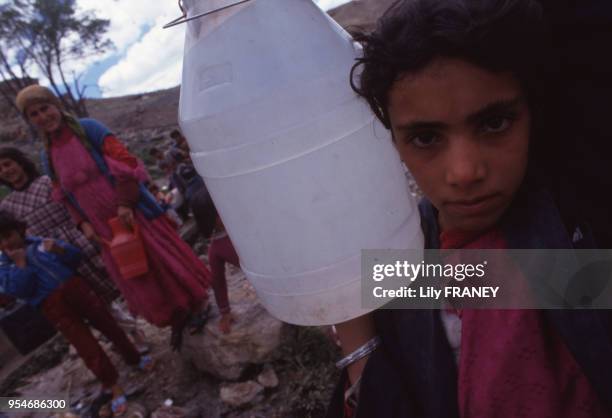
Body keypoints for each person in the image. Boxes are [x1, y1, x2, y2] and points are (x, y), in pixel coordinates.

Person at [326, 0, 612, 417]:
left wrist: (358, 340)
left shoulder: (579, 211)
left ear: (533, 111)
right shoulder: (400, 264)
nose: (464, 172)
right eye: (425, 138)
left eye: (494, 123)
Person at [15, 85, 212, 350]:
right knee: (138, 275)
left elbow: (125, 162)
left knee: (161, 261)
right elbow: (64, 195)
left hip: (133, 214)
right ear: (30, 122)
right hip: (103, 229)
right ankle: (176, 317)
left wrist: (125, 203)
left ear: (56, 106)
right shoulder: (47, 155)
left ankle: (198, 304)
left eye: (44, 108)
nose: (42, 116)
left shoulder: (89, 129)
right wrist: (82, 224)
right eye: (34, 114)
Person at [0, 210, 152, 416]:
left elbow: (75, 257)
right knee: (86, 345)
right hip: (52, 306)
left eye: (8, 235)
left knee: (109, 326)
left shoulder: (40, 242)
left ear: (19, 230)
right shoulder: (6, 268)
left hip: (77, 289)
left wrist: (60, 251)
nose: (5, 243)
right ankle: (112, 384)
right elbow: (22, 290)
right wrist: (20, 264)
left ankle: (134, 357)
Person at [0, 147, 149, 352]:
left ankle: (149, 313)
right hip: (53, 258)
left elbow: (75, 206)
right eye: (0, 169)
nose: (6, 170)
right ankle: (131, 335)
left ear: (19, 162)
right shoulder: (7, 207)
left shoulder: (47, 182)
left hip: (79, 241)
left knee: (118, 283)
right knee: (94, 302)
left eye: (8, 164)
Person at [194, 197, 236, 334]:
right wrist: (225, 311)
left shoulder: (240, 226)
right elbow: (218, 281)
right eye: (219, 212)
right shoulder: (216, 249)